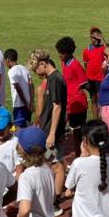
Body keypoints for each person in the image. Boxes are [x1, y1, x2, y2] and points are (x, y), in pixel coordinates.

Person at [30, 50, 67, 199]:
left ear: (43, 64)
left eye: (36, 69)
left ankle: (55, 200)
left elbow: (57, 107)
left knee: (55, 165)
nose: (36, 73)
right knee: (50, 163)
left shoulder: (55, 80)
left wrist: (52, 134)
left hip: (52, 131)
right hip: (48, 129)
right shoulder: (52, 79)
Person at [55, 36, 89, 157]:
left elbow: (84, 83)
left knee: (77, 133)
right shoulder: (64, 62)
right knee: (63, 128)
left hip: (77, 104)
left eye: (62, 53)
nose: (60, 55)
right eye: (59, 52)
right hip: (68, 101)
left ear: (69, 53)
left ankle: (80, 156)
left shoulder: (76, 65)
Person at [4, 49, 32, 129]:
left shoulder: (11, 71)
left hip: (19, 105)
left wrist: (25, 103)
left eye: (5, 61)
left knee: (18, 129)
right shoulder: (24, 68)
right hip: (28, 104)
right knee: (26, 126)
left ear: (8, 60)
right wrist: (31, 102)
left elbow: (18, 88)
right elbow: (31, 84)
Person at [82, 27, 107, 118]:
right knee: (93, 100)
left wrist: (102, 39)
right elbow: (85, 65)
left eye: (97, 38)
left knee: (101, 100)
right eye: (93, 38)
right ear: (91, 38)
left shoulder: (102, 48)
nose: (95, 40)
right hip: (90, 79)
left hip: (100, 78)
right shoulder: (86, 50)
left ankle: (101, 119)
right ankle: (95, 119)